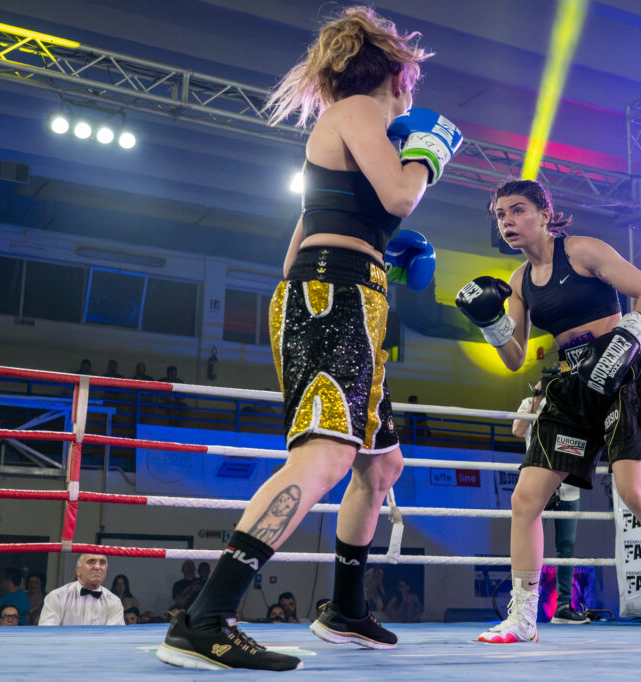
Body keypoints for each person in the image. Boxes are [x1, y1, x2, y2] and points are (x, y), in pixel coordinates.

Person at [157, 5, 460, 673]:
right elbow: (402, 193)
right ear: (399, 74)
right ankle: (205, 618)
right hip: (337, 296)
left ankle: (345, 609)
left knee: (379, 465)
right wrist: (429, 153)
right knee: (323, 459)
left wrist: (376, 250)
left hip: (344, 291)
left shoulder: (348, 121)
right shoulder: (360, 109)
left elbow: (304, 238)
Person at [455, 180, 641, 644]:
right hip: (571, 384)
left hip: (621, 373)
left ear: (544, 212)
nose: (508, 221)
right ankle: (523, 618)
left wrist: (624, 342)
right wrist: (489, 321)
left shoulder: (582, 251)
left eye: (517, 210)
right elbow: (516, 357)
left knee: (634, 490)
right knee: (525, 499)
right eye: (500, 215)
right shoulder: (518, 281)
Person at [512, 371, 588, 625]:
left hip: (567, 486)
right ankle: (524, 605)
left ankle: (564, 605)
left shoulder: (574, 403)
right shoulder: (529, 402)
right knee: (529, 542)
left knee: (566, 548)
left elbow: (581, 442)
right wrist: (537, 396)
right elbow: (517, 429)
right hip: (537, 486)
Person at [39, 554, 124, 626]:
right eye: (91, 562)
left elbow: (114, 637)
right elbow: (47, 634)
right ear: (78, 570)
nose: (98, 567)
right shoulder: (57, 597)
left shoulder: (114, 601)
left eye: (102, 563)